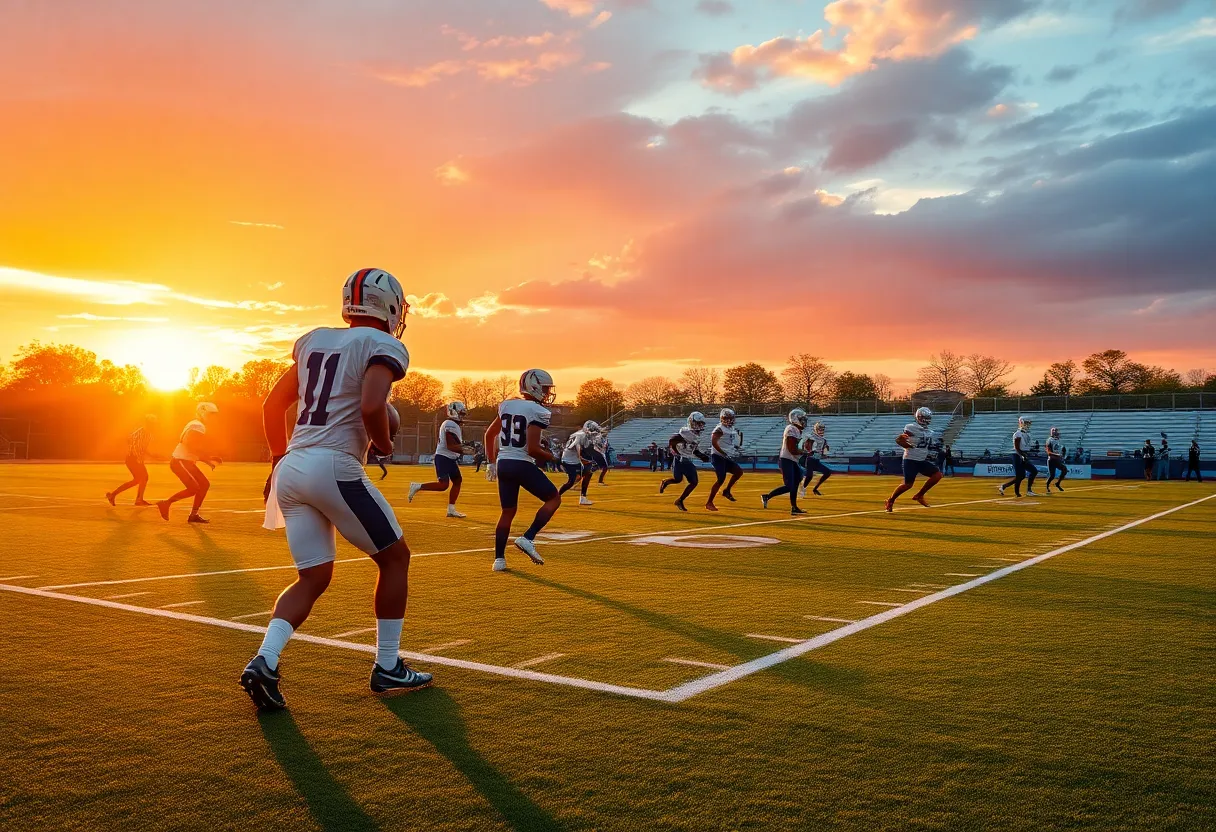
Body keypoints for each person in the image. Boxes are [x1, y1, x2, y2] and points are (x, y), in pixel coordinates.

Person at [243, 267, 431, 710]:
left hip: (293, 466)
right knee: (396, 558)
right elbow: (371, 403)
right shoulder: (384, 344)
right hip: (334, 465)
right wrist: (384, 444)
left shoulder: (313, 339)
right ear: (388, 306)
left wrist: (276, 458)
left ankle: (264, 660)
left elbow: (272, 405)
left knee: (313, 576)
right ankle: (388, 666)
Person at [484, 370, 561, 571]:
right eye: (545, 389)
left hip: (503, 463)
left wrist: (491, 462)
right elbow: (533, 449)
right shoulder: (538, 411)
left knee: (507, 512)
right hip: (521, 463)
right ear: (534, 386)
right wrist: (554, 457)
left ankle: (499, 560)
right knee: (554, 498)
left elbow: (489, 435)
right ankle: (528, 537)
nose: (546, 393)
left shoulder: (508, 404)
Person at [157, 403, 222, 523]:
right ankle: (166, 503)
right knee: (194, 489)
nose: (213, 418)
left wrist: (207, 459)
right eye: (211, 414)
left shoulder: (196, 424)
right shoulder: (198, 426)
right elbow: (189, 444)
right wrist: (207, 459)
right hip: (181, 461)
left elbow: (192, 447)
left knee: (204, 485)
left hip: (186, 461)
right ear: (203, 413)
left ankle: (193, 515)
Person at [408, 401, 468, 518]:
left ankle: (451, 509)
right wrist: (465, 450)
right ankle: (417, 486)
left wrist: (465, 447)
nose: (462, 416)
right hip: (444, 458)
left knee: (457, 481)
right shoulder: (450, 424)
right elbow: (451, 446)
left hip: (449, 458)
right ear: (453, 412)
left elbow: (454, 445)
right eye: (461, 413)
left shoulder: (452, 424)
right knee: (443, 485)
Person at [885, 407, 943, 512]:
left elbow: (924, 445)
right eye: (925, 417)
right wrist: (902, 440)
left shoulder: (929, 431)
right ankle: (890, 500)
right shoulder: (911, 427)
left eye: (928, 418)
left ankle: (920, 495)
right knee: (907, 485)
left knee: (937, 475)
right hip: (910, 459)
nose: (927, 420)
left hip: (921, 460)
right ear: (919, 417)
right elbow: (903, 438)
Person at [659, 412, 709, 511]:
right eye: (698, 423)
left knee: (694, 482)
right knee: (678, 480)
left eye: (701, 424)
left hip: (687, 460)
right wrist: (676, 452)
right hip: (679, 460)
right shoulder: (685, 433)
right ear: (692, 422)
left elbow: (694, 449)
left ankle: (680, 500)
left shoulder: (696, 435)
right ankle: (665, 482)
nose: (700, 426)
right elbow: (672, 441)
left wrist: (702, 456)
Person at [762, 409, 808, 516]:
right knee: (789, 486)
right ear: (795, 419)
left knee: (797, 481)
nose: (804, 421)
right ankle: (767, 496)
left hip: (792, 460)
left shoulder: (798, 431)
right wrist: (804, 452)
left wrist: (804, 451)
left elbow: (798, 448)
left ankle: (794, 507)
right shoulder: (791, 428)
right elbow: (792, 449)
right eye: (802, 419)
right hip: (787, 459)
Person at [106, 414, 157, 506]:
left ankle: (115, 495)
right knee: (142, 478)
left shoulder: (148, 434)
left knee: (140, 479)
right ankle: (137, 499)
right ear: (147, 423)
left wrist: (151, 455)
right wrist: (138, 458)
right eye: (151, 424)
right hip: (133, 458)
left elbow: (139, 446)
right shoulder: (141, 432)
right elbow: (134, 445)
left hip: (136, 458)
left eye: (153, 424)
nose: (152, 426)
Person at [706, 408, 744, 511]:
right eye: (727, 418)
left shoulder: (731, 429)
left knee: (738, 472)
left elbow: (729, 442)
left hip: (725, 456)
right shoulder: (719, 428)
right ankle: (709, 502)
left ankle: (727, 490)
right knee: (721, 479)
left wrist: (734, 448)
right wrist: (723, 452)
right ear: (722, 419)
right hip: (718, 456)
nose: (730, 420)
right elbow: (714, 442)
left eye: (731, 418)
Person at [998, 417, 1039, 498]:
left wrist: (1033, 449)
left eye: (1028, 423)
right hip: (1017, 455)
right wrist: (1022, 455)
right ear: (1021, 422)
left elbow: (1026, 446)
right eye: (1026, 423)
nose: (1027, 425)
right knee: (1020, 475)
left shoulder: (1027, 434)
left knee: (1033, 471)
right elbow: (1017, 447)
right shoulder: (1018, 433)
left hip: (1023, 454)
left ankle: (1005, 486)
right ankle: (1017, 492)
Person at [559, 421, 598, 506]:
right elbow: (579, 452)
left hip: (570, 458)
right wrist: (586, 461)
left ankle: (583, 498)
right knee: (572, 481)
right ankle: (556, 496)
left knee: (588, 473)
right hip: (570, 460)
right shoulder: (582, 436)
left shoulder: (579, 434)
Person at [798, 421, 833, 498]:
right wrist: (807, 451)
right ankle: (802, 488)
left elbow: (824, 452)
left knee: (827, 472)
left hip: (816, 461)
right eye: (820, 429)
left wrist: (825, 454)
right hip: (809, 459)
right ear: (816, 429)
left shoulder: (824, 440)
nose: (821, 431)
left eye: (822, 429)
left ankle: (815, 489)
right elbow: (801, 446)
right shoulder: (810, 437)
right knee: (809, 476)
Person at [1044, 426, 1068, 493]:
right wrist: (1056, 455)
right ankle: (1047, 486)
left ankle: (1058, 483)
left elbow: (1061, 449)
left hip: (1057, 460)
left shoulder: (1058, 440)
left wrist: (1063, 453)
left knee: (1064, 469)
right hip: (1051, 460)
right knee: (1052, 475)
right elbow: (1048, 452)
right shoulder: (1049, 440)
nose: (1057, 432)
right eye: (1055, 431)